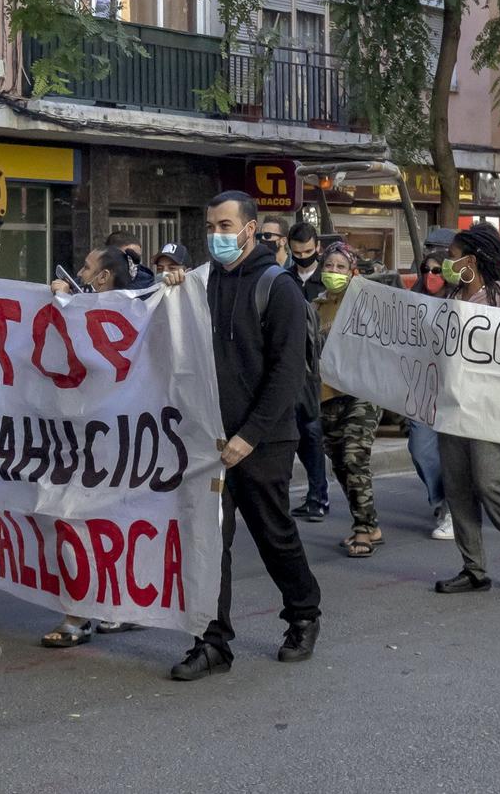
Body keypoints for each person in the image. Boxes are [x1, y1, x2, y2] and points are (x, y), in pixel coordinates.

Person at [171, 191, 321, 682]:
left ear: (251, 229)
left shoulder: (278, 288)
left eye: (226, 225)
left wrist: (251, 435)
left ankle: (302, 614)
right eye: (211, 225)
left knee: (273, 533)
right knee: (211, 541)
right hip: (209, 440)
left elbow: (286, 375)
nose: (217, 234)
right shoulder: (202, 284)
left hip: (264, 440)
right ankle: (212, 641)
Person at [40, 245, 149, 648]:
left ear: (103, 278)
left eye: (86, 268)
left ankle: (110, 608)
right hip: (77, 440)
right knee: (72, 522)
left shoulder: (138, 314)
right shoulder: (74, 309)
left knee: (112, 526)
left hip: (118, 442)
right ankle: (81, 613)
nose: (79, 273)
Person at [432, 223, 500, 594]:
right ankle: (474, 568)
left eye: (451, 256)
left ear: (470, 260)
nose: (447, 262)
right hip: (453, 405)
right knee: (457, 487)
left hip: (492, 407)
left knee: (489, 481)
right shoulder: (449, 297)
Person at [313, 245, 382, 558]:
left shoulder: (366, 301)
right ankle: (370, 522)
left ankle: (363, 529)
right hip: (326, 395)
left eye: (341, 266)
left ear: (352, 271)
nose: (334, 271)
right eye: (329, 265)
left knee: (354, 456)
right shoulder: (315, 308)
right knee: (340, 462)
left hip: (361, 393)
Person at [281, 220, 329, 523]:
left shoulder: (329, 279)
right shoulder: (284, 280)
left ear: (318, 249)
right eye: (297, 253)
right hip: (290, 367)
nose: (303, 257)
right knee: (295, 436)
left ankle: (318, 496)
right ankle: (313, 494)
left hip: (319, 370)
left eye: (308, 252)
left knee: (312, 434)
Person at [408, 251, 453, 540]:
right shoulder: (411, 302)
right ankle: (440, 502)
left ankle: (451, 509)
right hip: (423, 389)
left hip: (457, 391)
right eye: (426, 269)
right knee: (421, 448)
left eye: (438, 270)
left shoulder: (465, 303)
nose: (431, 275)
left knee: (455, 455)